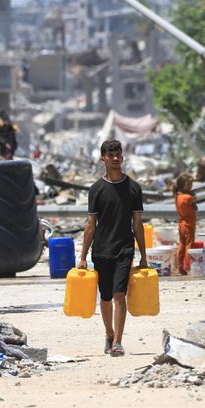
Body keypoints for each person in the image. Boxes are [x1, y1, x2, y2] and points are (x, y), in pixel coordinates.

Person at [78, 139, 147, 357]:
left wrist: (143, 255)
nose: (116, 159)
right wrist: (82, 256)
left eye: (118, 155)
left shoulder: (134, 188)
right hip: (101, 250)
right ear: (103, 159)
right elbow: (91, 225)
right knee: (105, 296)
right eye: (111, 155)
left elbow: (137, 224)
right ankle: (109, 333)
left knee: (120, 293)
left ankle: (118, 341)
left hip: (124, 249)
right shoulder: (97, 189)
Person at [174, 173, 197, 276]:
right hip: (189, 224)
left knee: (181, 244)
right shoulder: (188, 197)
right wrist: (193, 196)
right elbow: (195, 207)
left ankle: (180, 266)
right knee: (189, 244)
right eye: (190, 185)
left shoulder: (178, 196)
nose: (191, 187)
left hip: (181, 223)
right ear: (185, 186)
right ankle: (188, 266)